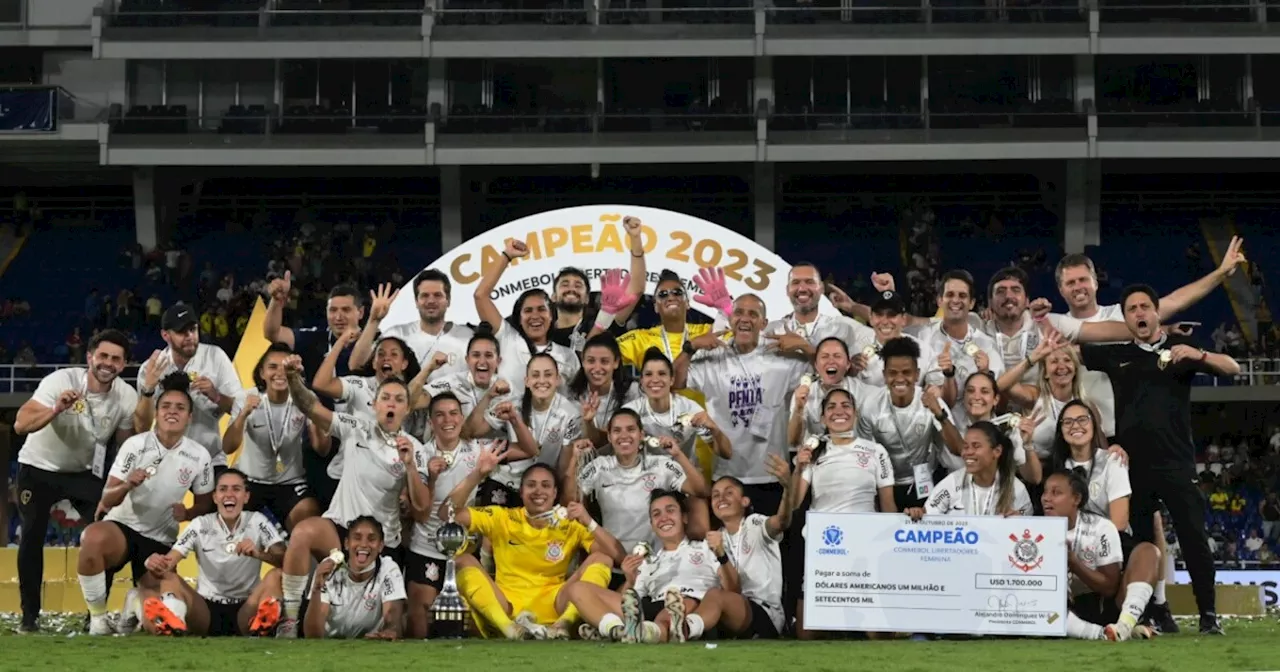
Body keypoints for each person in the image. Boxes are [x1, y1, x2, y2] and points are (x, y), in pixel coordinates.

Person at [1078, 284, 1240, 635]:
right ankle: (1148, 612)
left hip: (1177, 464)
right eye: (1132, 309)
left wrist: (1199, 356)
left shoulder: (1180, 353)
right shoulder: (1116, 354)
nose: (1139, 313)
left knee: (1194, 538)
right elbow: (1069, 350)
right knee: (1140, 545)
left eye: (1145, 307)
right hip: (1133, 469)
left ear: (1156, 313)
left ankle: (1208, 616)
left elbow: (1233, 367)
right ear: (1125, 318)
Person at [275, 356, 432, 638]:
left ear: (407, 409)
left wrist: (409, 465)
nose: (392, 404)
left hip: (381, 540)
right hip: (340, 528)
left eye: (399, 400)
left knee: (396, 623)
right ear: (375, 404)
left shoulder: (416, 449)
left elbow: (421, 510)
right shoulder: (356, 426)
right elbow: (310, 406)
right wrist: (292, 379)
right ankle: (288, 619)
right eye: (386, 398)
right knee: (302, 533)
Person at [12, 329, 138, 633]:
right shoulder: (60, 381)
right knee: (31, 535)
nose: (108, 363)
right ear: (90, 358)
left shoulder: (126, 396)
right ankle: (30, 618)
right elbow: (20, 424)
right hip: (38, 467)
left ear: (123, 365)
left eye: (116, 359)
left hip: (82, 473)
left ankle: (95, 616)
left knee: (109, 531)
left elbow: (124, 447)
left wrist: (124, 482)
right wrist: (56, 409)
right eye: (103, 356)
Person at [78, 373, 215, 635]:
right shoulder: (135, 445)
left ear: (190, 417)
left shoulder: (199, 456)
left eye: (180, 408)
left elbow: (204, 506)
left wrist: (186, 512)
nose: (172, 412)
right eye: (166, 406)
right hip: (123, 527)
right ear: (156, 412)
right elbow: (107, 499)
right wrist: (128, 484)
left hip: (161, 540)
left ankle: (134, 602)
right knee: (92, 537)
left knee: (160, 621)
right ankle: (97, 620)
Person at [445, 449, 624, 640]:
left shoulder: (570, 523)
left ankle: (563, 625)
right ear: (521, 492)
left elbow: (617, 556)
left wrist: (588, 521)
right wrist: (478, 474)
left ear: (555, 493)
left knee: (601, 557)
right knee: (463, 559)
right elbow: (447, 513)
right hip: (507, 605)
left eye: (546, 486)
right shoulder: (502, 517)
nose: (539, 491)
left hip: (556, 605)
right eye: (531, 485)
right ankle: (509, 629)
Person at [674, 294, 811, 516]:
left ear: (764, 323)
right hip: (726, 476)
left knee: (772, 545)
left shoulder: (782, 355)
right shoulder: (713, 356)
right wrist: (690, 348)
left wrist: (806, 347)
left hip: (771, 474)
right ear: (730, 319)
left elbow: (827, 370)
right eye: (738, 312)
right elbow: (675, 382)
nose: (745, 319)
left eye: (753, 314)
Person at [565, 490, 729, 643]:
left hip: (692, 606)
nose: (663, 518)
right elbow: (629, 603)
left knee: (675, 606)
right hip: (651, 608)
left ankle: (648, 632)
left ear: (684, 517)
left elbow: (730, 588)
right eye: (656, 514)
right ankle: (616, 630)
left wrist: (721, 553)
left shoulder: (706, 548)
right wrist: (629, 580)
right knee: (577, 589)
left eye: (670, 510)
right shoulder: (647, 562)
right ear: (652, 525)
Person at [137, 469, 287, 637]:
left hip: (246, 609)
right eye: (223, 489)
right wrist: (153, 562)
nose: (229, 495)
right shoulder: (200, 524)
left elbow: (286, 561)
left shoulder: (257, 521)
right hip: (205, 611)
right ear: (215, 497)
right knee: (169, 576)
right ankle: (173, 621)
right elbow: (169, 562)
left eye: (236, 489)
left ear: (246, 497)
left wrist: (259, 554)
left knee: (276, 574)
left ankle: (263, 623)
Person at [566, 409, 709, 554]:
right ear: (609, 437)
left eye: (631, 429)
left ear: (641, 435)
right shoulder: (599, 467)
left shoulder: (662, 465)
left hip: (657, 562)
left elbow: (701, 491)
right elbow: (570, 503)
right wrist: (574, 461)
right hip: (613, 560)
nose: (624, 435)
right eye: (617, 430)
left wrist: (678, 455)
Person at [684, 456, 795, 641]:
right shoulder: (713, 539)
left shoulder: (755, 523)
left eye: (729, 493)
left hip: (765, 614)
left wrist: (787, 488)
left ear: (744, 501)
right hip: (732, 613)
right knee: (703, 596)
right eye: (716, 495)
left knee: (716, 596)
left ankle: (685, 629)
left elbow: (782, 521)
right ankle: (660, 630)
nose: (721, 498)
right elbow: (731, 588)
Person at [1042, 470, 1161, 642]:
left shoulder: (1101, 527)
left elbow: (1110, 587)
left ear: (1076, 499)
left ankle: (1124, 625)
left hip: (1105, 607)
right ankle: (1102, 634)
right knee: (1044, 608)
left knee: (1148, 551)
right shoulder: (1033, 530)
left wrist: (1074, 563)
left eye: (1056, 493)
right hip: (1064, 612)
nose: (1046, 498)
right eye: (1045, 492)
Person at [222, 343, 325, 531]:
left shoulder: (305, 399)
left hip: (290, 481)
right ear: (261, 373)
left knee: (309, 517)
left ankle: (289, 549)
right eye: (272, 367)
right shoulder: (245, 398)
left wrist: (314, 414)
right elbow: (228, 447)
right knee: (227, 519)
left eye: (286, 367)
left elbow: (322, 448)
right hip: (250, 480)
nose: (280, 373)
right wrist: (243, 415)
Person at [403, 393, 481, 639]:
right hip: (425, 547)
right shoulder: (420, 455)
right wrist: (432, 478)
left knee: (463, 617)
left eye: (453, 413)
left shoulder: (477, 452)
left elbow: (529, 449)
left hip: (463, 549)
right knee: (420, 613)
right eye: (440, 414)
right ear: (430, 422)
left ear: (461, 417)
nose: (448, 420)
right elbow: (421, 515)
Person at [854, 337, 959, 510]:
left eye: (906, 372)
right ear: (884, 375)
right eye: (893, 373)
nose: (900, 379)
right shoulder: (870, 405)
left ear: (917, 374)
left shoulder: (931, 401)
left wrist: (938, 413)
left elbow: (956, 449)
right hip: (885, 484)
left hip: (926, 480)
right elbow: (865, 459)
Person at [134, 303, 239, 472]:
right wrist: (149, 389)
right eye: (182, 331)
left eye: (193, 329)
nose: (190, 336)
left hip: (209, 457)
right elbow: (141, 428)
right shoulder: (151, 368)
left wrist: (216, 395)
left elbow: (238, 408)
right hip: (164, 457)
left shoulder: (215, 357)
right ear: (165, 335)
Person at [472, 238, 581, 395]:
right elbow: (480, 296)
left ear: (552, 316)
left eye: (541, 309)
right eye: (528, 310)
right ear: (519, 318)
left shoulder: (568, 356)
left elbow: (574, 400)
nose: (535, 316)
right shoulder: (507, 338)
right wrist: (506, 256)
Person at [477, 352, 581, 505]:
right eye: (535, 375)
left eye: (548, 375)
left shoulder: (571, 414)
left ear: (558, 379)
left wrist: (558, 500)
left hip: (542, 488)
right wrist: (488, 398)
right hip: (507, 482)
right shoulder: (511, 404)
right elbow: (474, 430)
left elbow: (563, 468)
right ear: (526, 381)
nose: (542, 381)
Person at [311, 331, 420, 476]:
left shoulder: (411, 394)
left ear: (404, 363)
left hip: (389, 476)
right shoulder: (358, 385)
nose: (386, 357)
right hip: (347, 473)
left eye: (394, 354)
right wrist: (340, 343)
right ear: (374, 363)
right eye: (380, 354)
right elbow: (321, 384)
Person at [349, 272, 473, 379]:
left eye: (437, 295)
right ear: (416, 301)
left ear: (448, 300)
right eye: (424, 295)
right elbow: (356, 365)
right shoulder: (397, 335)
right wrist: (374, 321)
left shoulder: (467, 337)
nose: (431, 301)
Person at [302, 516, 407, 640]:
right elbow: (312, 634)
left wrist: (390, 631)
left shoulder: (388, 569)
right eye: (357, 538)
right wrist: (316, 588)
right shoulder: (330, 568)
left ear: (380, 546)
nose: (363, 544)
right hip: (332, 646)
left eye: (371, 539)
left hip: (371, 646)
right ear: (346, 543)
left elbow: (392, 616)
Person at [623, 347, 730, 465]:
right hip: (648, 480)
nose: (655, 379)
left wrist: (715, 429)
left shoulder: (689, 408)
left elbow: (726, 454)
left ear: (672, 380)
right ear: (641, 381)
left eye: (662, 374)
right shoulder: (630, 413)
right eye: (648, 374)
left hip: (686, 479)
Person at [908, 421, 1033, 519]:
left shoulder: (1016, 489)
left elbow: (1029, 529)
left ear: (997, 451)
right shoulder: (952, 483)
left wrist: (1018, 522)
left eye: (976, 446)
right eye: (965, 446)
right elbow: (927, 516)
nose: (968, 452)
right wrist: (918, 514)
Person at [946, 371, 1040, 484]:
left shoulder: (1007, 428)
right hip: (954, 493)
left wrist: (1028, 445)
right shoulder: (949, 421)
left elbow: (1034, 478)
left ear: (995, 399)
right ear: (964, 396)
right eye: (970, 391)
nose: (976, 397)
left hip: (997, 494)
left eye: (984, 391)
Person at [1050, 400, 1131, 531]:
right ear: (1061, 430)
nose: (1075, 426)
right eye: (1068, 422)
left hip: (1112, 541)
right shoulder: (1059, 468)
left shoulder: (1113, 461)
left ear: (1093, 425)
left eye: (1082, 419)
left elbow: (1119, 523)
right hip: (1072, 541)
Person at [569, 333, 640, 444]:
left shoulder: (632, 392)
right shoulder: (572, 394)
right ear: (583, 362)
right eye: (591, 361)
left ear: (616, 362)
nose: (597, 368)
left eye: (604, 361)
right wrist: (588, 423)